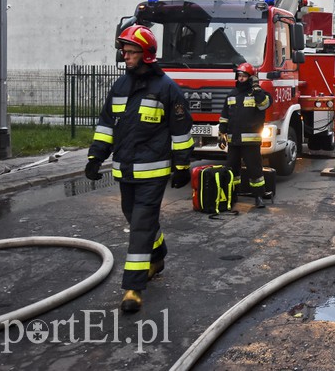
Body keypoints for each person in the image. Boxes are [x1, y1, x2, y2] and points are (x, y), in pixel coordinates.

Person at [85, 24, 194, 313]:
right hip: (125, 170)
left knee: (141, 225)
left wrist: (182, 165)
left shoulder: (166, 88)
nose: (125, 56)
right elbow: (107, 125)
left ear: (146, 54)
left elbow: (181, 130)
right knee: (134, 218)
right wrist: (95, 157)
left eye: (131, 51)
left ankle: (133, 288)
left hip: (153, 172)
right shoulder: (120, 86)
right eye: (124, 51)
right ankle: (157, 255)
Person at [218, 62, 272, 208]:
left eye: (244, 76)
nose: (241, 78)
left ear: (251, 78)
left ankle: (258, 196)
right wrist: (222, 133)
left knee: (255, 170)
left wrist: (257, 89)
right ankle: (232, 195)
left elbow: (264, 105)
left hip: (251, 141)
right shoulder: (232, 94)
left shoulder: (259, 94)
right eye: (239, 76)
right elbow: (224, 116)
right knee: (232, 170)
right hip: (234, 141)